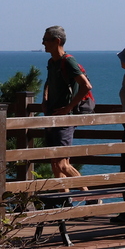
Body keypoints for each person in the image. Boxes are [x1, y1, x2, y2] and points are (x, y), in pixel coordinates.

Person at [41, 26, 94, 179]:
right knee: (55, 163)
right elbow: (48, 82)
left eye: (45, 39)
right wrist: (44, 100)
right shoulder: (52, 62)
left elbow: (86, 86)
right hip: (52, 115)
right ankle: (65, 198)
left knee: (62, 163)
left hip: (65, 119)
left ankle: (90, 195)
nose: (43, 43)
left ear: (57, 41)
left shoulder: (68, 61)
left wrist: (68, 108)